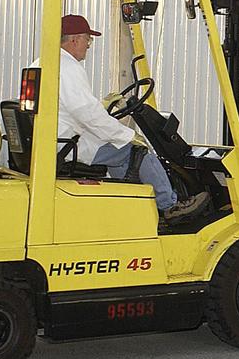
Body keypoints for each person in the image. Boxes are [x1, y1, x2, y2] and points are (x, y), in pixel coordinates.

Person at [41, 14, 203, 220]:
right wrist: (126, 134)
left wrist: (103, 106)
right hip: (68, 144)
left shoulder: (44, 62)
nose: (88, 45)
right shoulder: (68, 68)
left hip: (58, 136)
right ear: (74, 39)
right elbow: (86, 113)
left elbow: (72, 107)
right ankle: (169, 205)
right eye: (87, 40)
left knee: (119, 153)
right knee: (138, 150)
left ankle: (133, 207)